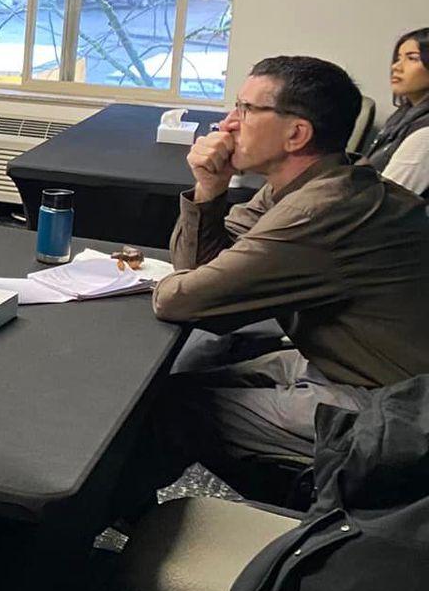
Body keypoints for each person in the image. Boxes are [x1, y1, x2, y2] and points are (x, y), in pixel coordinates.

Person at [142, 55, 429, 502]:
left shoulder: (319, 209)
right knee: (190, 369)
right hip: (346, 366)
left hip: (396, 409)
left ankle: (84, 539)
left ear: (297, 134)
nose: (227, 123)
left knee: (168, 407)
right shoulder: (317, 182)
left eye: (245, 110)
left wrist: (165, 279)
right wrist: (210, 190)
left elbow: (182, 300)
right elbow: (208, 269)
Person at [359, 26, 429, 195]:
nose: (396, 67)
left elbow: (389, 201)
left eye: (412, 58)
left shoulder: (425, 134)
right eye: (398, 58)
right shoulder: (402, 117)